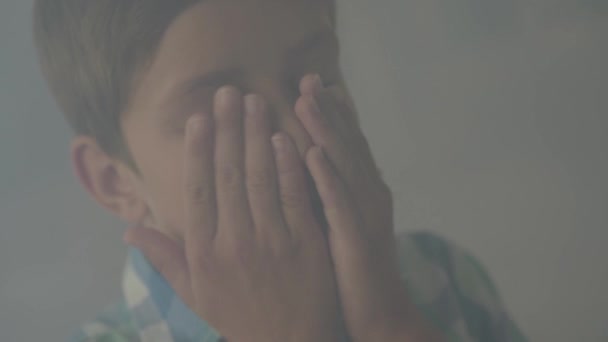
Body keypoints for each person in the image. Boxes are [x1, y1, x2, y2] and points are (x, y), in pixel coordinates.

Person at [32, 1, 528, 341]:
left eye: (316, 79)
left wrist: (388, 323)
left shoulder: (443, 277)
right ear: (114, 182)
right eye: (225, 115)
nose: (295, 131)